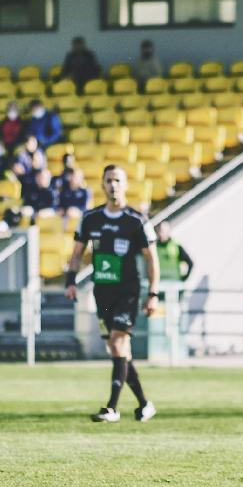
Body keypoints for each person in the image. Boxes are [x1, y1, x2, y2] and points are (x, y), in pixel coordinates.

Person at [65, 165, 160, 423]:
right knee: (118, 350)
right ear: (102, 184)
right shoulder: (90, 218)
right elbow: (76, 253)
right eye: (109, 180)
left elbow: (151, 259)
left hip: (128, 291)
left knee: (118, 343)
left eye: (118, 180)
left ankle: (112, 408)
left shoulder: (137, 220)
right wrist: (70, 282)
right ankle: (144, 404)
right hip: (102, 292)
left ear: (125, 185)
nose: (113, 185)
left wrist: (153, 293)